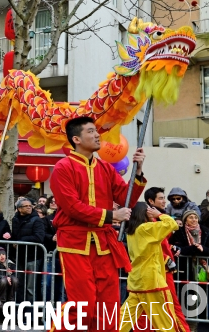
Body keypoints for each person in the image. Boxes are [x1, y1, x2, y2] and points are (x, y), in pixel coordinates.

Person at [48, 116, 146, 331]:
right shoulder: (63, 168)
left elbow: (126, 199)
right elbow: (72, 207)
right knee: (84, 306)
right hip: (75, 242)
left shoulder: (105, 168)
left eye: (96, 131)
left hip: (103, 243)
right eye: (91, 131)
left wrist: (137, 171)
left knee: (108, 306)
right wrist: (112, 216)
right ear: (76, 139)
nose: (97, 135)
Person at [119, 203, 183, 332]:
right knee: (166, 322)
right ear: (145, 213)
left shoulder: (131, 231)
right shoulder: (146, 228)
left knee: (122, 320)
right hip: (152, 282)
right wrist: (159, 215)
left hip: (137, 281)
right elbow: (173, 224)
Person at [142, 187, 190, 332]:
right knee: (166, 305)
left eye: (164, 198)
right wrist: (165, 258)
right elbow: (145, 246)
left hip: (161, 268)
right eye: (161, 198)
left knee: (150, 307)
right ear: (151, 201)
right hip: (157, 268)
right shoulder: (150, 219)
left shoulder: (158, 217)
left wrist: (171, 248)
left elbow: (161, 242)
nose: (165, 201)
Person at [10, 197, 45, 303]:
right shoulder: (15, 219)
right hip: (19, 257)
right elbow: (14, 236)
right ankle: (19, 311)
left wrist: (21, 241)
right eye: (26, 206)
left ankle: (31, 315)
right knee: (19, 285)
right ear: (19, 209)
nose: (29, 208)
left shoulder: (37, 220)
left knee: (31, 288)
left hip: (32, 257)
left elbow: (39, 237)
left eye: (30, 206)